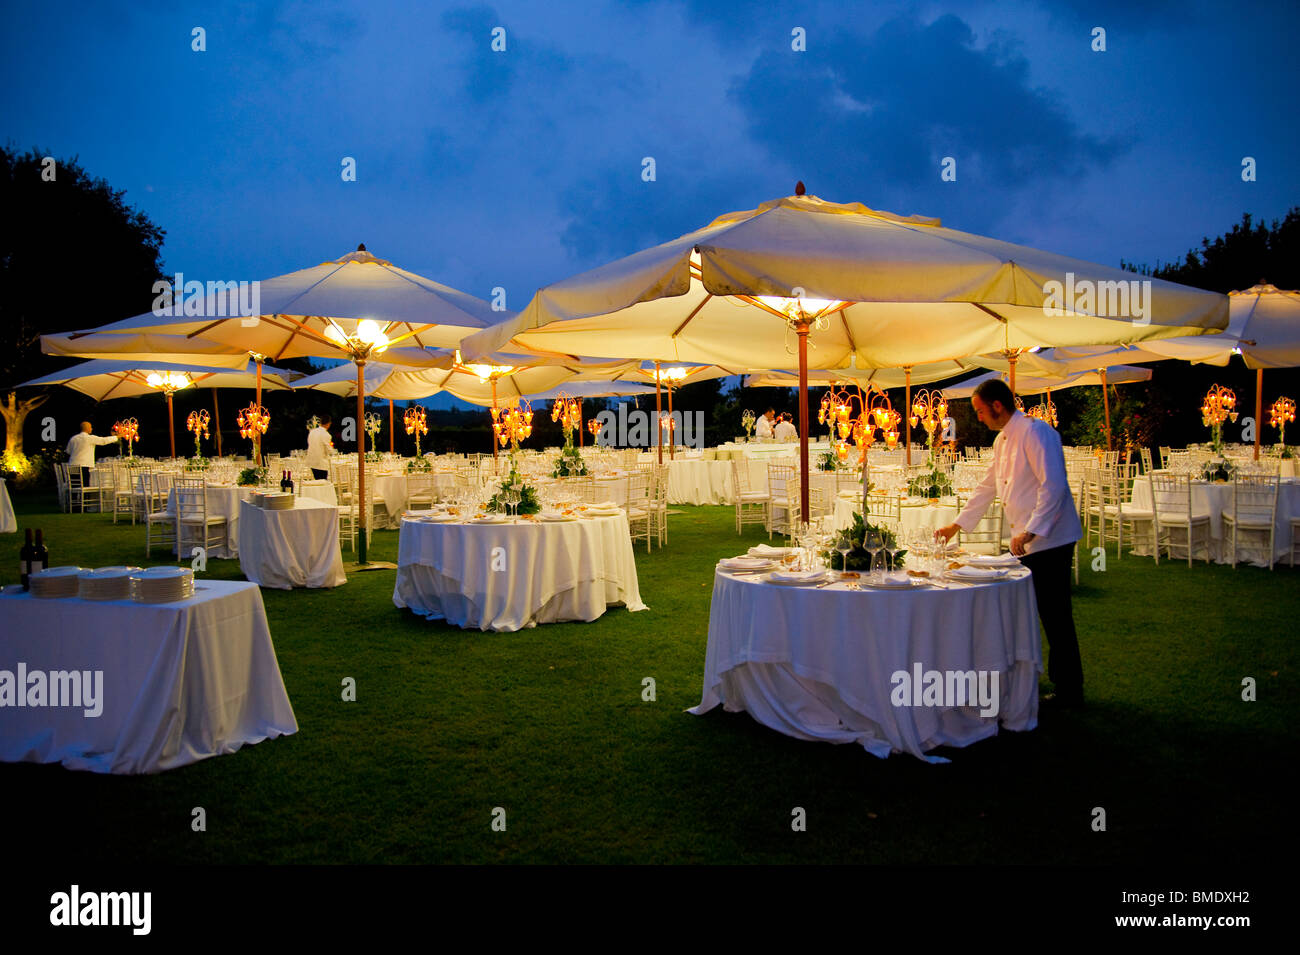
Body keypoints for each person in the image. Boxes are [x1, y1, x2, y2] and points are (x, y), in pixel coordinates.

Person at [934, 379, 1085, 708]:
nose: (978, 418)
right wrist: (956, 526)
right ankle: (1030, 680)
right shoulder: (1003, 440)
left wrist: (1031, 531)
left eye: (979, 411)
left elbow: (1054, 486)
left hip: (1052, 539)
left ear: (997, 406)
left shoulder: (1035, 432)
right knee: (1030, 611)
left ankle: (1069, 691)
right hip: (1028, 541)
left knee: (1056, 615)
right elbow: (987, 487)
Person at [66, 421, 119, 487]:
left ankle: (73, 497)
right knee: (85, 486)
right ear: (87, 428)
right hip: (84, 466)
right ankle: (85, 497)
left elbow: (68, 451)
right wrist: (116, 437)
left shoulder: (73, 439)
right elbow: (103, 441)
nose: (92, 429)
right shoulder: (90, 438)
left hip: (72, 466)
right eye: (90, 427)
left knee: (74, 486)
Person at [306, 415, 334, 479]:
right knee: (322, 482)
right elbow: (329, 450)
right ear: (329, 424)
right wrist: (332, 449)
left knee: (316, 481)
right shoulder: (326, 435)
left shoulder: (312, 432)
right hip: (320, 463)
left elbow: (309, 443)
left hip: (311, 461)